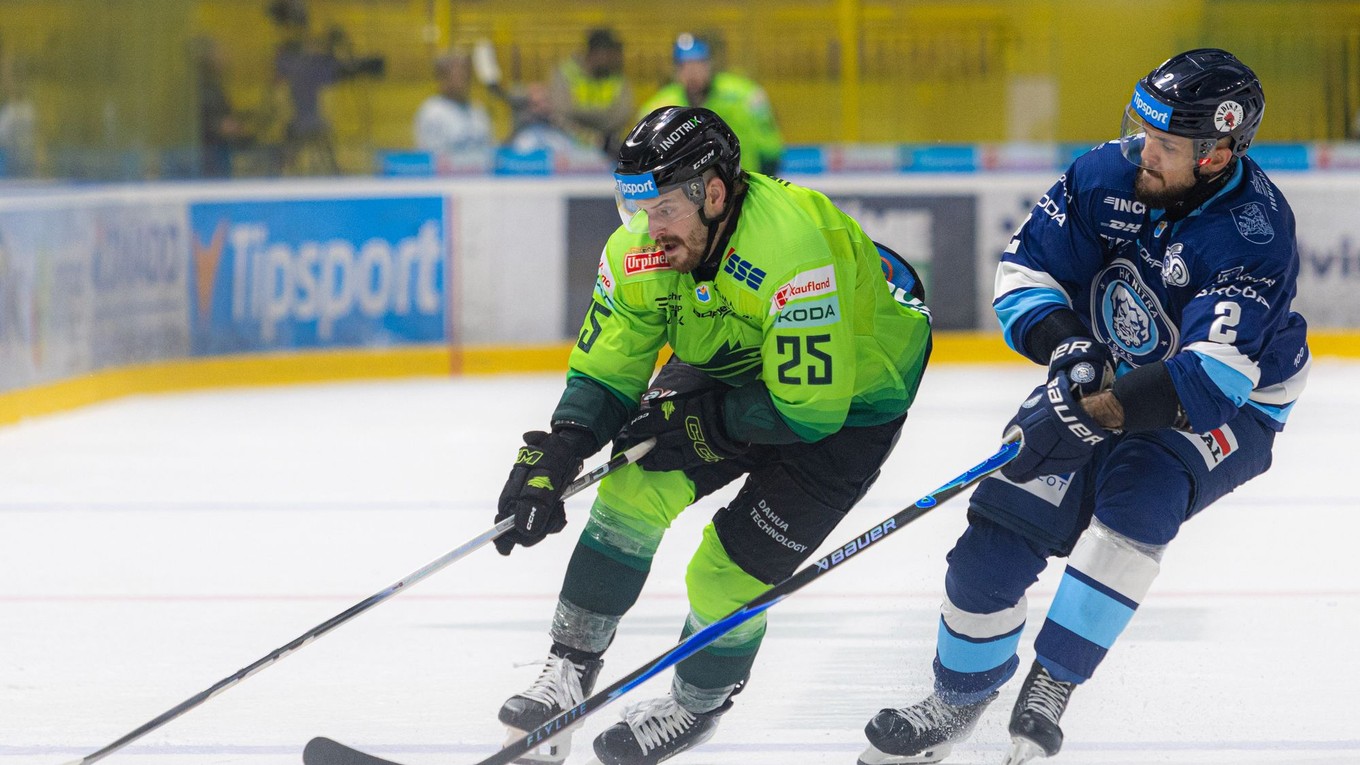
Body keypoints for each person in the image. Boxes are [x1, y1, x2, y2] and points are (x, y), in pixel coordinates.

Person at [858, 49, 1310, 765]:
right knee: (1001, 525)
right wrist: (1069, 350)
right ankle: (958, 695)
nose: (1144, 155)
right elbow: (1025, 272)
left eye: (1167, 146)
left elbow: (1210, 381)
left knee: (1141, 492)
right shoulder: (1105, 173)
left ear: (1219, 154)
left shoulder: (1254, 233)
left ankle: (1052, 683)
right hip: (1109, 368)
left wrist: (1088, 411)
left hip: (1235, 405)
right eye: (1145, 132)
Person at [493, 106, 932, 765]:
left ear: (715, 194)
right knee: (631, 486)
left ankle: (697, 704)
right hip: (737, 353)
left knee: (726, 574)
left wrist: (702, 427)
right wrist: (561, 445)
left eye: (663, 208)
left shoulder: (792, 251)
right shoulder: (645, 247)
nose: (647, 228)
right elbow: (609, 367)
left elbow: (810, 409)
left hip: (856, 399)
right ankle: (567, 671)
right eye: (635, 206)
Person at [637, 34, 782, 175]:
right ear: (676, 70)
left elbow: (769, 147)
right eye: (685, 66)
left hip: (743, 183)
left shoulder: (744, 95)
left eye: (698, 65)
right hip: (688, 192)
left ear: (709, 65)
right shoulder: (659, 109)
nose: (692, 73)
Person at [548, 27, 633, 156]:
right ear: (597, 53)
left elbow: (623, 114)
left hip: (608, 146)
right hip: (568, 144)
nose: (616, 58)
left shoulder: (618, 77)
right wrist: (602, 117)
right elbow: (561, 110)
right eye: (611, 53)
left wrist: (579, 114)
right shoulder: (565, 72)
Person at [412, 48, 493, 162]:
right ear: (442, 77)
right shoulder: (431, 112)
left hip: (480, 178)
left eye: (466, 70)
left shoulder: (478, 110)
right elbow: (433, 159)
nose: (465, 76)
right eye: (458, 71)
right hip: (447, 179)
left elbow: (489, 153)